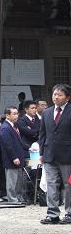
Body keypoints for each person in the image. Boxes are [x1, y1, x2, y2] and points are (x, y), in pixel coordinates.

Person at [38, 84, 71, 224]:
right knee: (51, 184)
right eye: (54, 94)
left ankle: (69, 213)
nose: (56, 97)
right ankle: (52, 214)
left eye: (59, 95)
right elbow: (42, 134)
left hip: (68, 154)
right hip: (49, 154)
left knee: (68, 185)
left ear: (68, 97)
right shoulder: (47, 112)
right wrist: (41, 153)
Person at [0, 107, 28, 204]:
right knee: (12, 181)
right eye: (14, 114)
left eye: (17, 113)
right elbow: (8, 145)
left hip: (18, 156)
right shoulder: (5, 127)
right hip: (11, 158)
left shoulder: (13, 126)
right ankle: (12, 199)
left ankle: (18, 198)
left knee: (18, 180)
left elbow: (19, 142)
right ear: (7, 115)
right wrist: (14, 157)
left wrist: (29, 147)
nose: (16, 115)